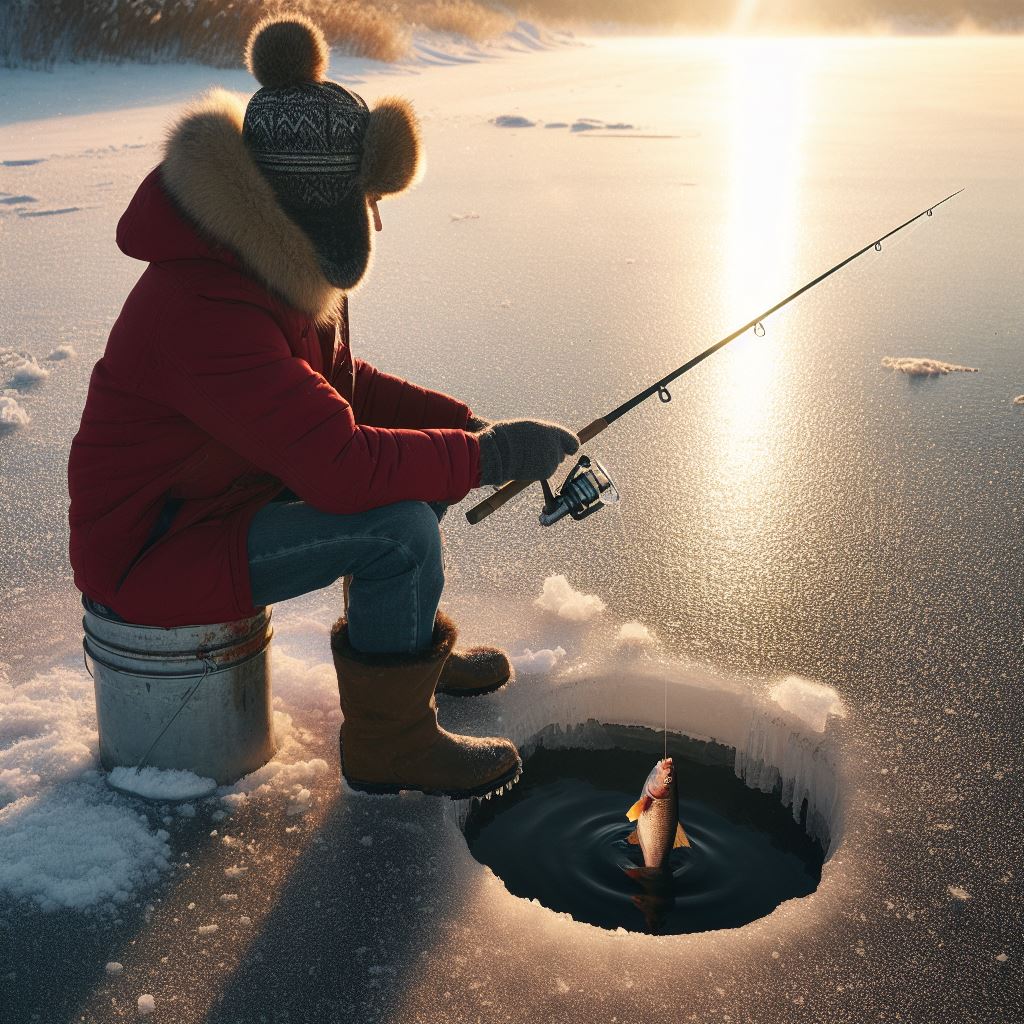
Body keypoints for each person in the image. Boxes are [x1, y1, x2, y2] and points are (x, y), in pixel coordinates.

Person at [67, 14, 579, 799]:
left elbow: (338, 387)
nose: (375, 218)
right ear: (321, 208)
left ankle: (404, 668)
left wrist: (462, 428)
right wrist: (491, 456)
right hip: (153, 555)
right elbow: (339, 467)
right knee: (395, 525)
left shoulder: (261, 260)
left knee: (411, 472)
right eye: (366, 200)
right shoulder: (207, 304)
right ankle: (390, 746)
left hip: (216, 502)